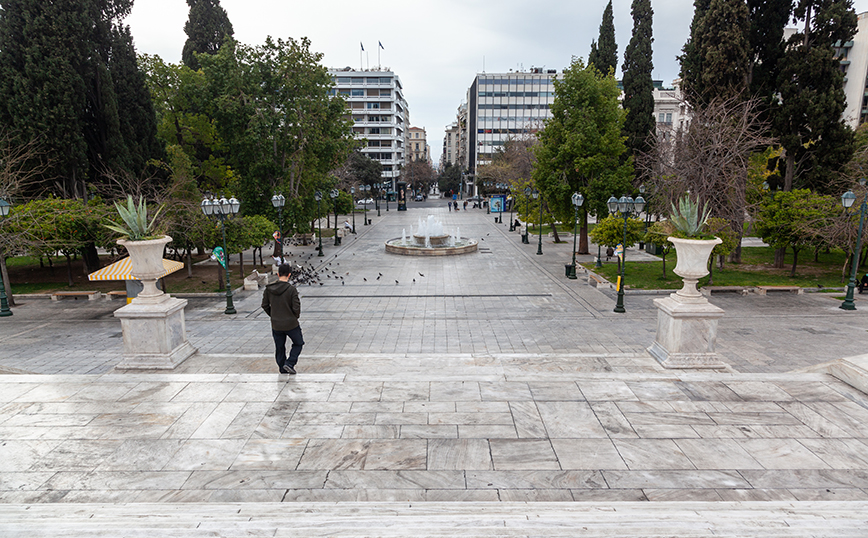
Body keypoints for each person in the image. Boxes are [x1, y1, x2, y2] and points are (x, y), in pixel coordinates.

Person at [261, 263, 304, 374]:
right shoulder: (291, 290)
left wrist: (273, 315)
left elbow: (264, 305)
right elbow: (296, 307)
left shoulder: (269, 289)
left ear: (278, 274)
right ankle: (289, 363)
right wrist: (294, 316)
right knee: (298, 343)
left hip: (276, 324)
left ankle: (282, 368)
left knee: (279, 347)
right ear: (289, 275)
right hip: (291, 323)